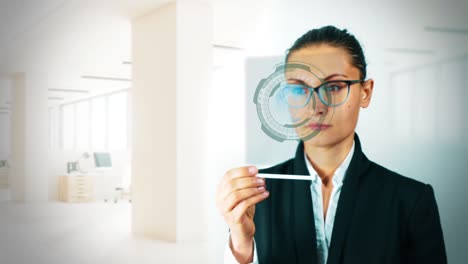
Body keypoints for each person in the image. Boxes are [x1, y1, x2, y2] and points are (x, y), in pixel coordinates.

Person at [216, 25, 447, 264]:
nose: (317, 106)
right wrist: (241, 243)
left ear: (365, 92)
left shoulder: (411, 200)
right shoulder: (257, 194)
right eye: (299, 89)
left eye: (334, 87)